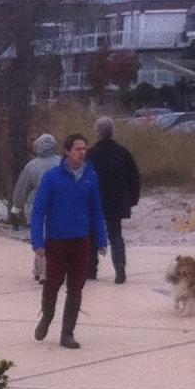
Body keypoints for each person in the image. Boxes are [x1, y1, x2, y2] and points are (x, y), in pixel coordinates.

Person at [29, 134, 107, 348]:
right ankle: (46, 316)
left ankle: (67, 333)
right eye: (77, 149)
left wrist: (101, 239)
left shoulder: (91, 177)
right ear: (67, 152)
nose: (82, 152)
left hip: (81, 240)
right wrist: (37, 242)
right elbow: (39, 211)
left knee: (76, 286)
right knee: (53, 282)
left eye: (84, 148)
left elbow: (96, 210)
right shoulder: (52, 177)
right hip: (56, 240)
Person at [88, 117, 141, 282]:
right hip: (117, 201)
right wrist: (132, 199)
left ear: (97, 133)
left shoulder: (91, 154)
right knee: (116, 235)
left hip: (96, 201)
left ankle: (91, 270)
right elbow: (134, 178)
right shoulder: (123, 153)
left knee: (92, 235)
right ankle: (119, 268)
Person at [10, 132, 59, 227]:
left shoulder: (31, 166)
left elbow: (22, 188)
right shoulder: (63, 163)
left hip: (36, 209)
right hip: (59, 210)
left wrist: (16, 208)